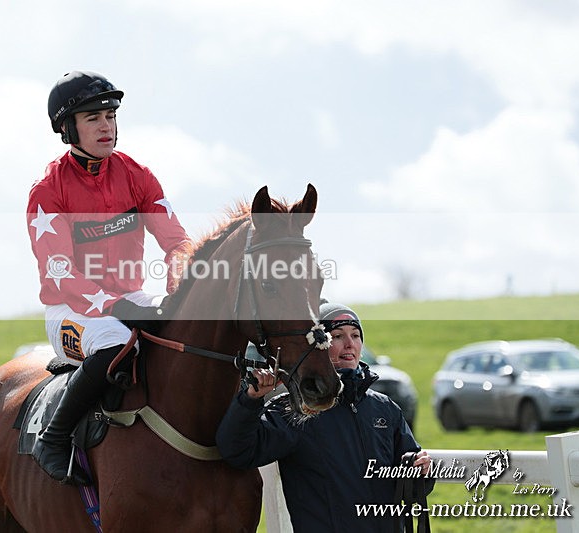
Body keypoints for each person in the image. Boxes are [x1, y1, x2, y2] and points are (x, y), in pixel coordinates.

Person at [27, 71, 190, 484]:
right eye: (92, 118)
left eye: (110, 116)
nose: (106, 126)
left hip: (130, 299)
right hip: (72, 311)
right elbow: (60, 273)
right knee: (116, 342)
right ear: (68, 129)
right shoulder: (47, 190)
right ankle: (54, 436)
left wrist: (177, 286)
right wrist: (118, 305)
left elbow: (177, 244)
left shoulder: (138, 175)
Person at [216, 302, 434, 532]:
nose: (350, 343)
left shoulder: (385, 408)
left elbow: (415, 484)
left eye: (356, 335)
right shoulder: (294, 410)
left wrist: (421, 470)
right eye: (337, 336)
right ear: (317, 346)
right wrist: (250, 400)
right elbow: (237, 451)